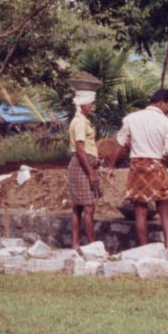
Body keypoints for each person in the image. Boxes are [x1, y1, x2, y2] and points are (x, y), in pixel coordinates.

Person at [111, 88, 168, 248]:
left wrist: (112, 166)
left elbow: (120, 144)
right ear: (161, 103)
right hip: (157, 166)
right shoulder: (167, 123)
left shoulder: (130, 118)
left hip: (137, 167)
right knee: (163, 208)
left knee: (140, 210)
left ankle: (144, 247)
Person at [67, 89, 101, 254]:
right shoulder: (80, 122)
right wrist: (91, 173)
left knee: (78, 208)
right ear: (83, 104)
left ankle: (76, 244)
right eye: (91, 104)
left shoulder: (81, 120)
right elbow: (80, 149)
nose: (93, 107)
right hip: (82, 166)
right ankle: (92, 245)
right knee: (88, 207)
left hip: (81, 165)